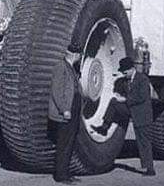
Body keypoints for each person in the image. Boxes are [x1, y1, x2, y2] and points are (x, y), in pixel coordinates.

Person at [91, 57, 156, 176]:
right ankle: (104, 127)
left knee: (144, 141)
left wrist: (125, 99)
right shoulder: (127, 80)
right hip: (131, 110)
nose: (124, 74)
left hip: (142, 115)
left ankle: (150, 169)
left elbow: (142, 97)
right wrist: (118, 95)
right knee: (114, 103)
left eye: (125, 72)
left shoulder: (142, 79)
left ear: (132, 69)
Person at [49, 44, 83, 184]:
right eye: (79, 55)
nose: (80, 58)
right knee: (64, 144)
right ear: (74, 55)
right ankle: (61, 175)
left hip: (73, 109)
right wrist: (64, 109)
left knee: (69, 143)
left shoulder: (71, 69)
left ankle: (66, 173)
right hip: (66, 111)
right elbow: (57, 91)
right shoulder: (60, 67)